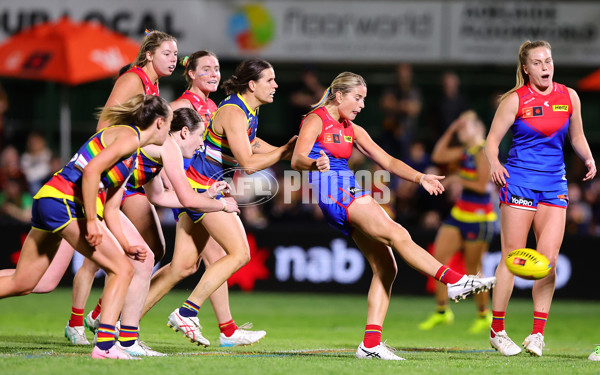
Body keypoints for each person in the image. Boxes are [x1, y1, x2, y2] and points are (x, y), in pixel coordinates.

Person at [291, 72, 497, 361]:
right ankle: (454, 281)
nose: (362, 104)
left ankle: (370, 344)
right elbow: (297, 158)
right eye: (357, 98)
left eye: (363, 99)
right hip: (335, 190)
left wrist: (420, 177)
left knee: (387, 269)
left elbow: (387, 160)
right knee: (398, 233)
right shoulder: (316, 119)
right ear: (339, 96)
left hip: (343, 191)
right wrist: (315, 162)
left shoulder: (352, 128)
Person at [0, 94, 173, 359]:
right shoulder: (129, 137)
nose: (169, 134)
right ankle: (104, 347)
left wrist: (127, 244)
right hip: (65, 203)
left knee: (22, 282)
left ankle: (105, 345)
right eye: (170, 126)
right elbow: (91, 172)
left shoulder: (131, 154)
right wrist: (91, 220)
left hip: (50, 200)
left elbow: (113, 208)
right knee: (122, 270)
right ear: (160, 123)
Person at [143, 58, 296, 348]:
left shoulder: (247, 111)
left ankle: (123, 327)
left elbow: (252, 146)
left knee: (183, 267)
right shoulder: (232, 111)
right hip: (203, 189)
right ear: (252, 84)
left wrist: (289, 152)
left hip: (204, 185)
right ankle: (188, 312)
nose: (276, 85)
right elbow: (249, 164)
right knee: (239, 253)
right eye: (270, 80)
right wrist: (286, 152)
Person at [66, 30, 179, 352]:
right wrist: (127, 157)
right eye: (167, 53)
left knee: (148, 251)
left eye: (175, 54)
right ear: (148, 55)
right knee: (91, 259)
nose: (173, 59)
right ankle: (87, 322)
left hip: (124, 176)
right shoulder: (133, 79)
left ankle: (101, 316)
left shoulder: (153, 85)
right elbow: (105, 128)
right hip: (101, 177)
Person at [485, 40, 596, 357]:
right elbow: (491, 141)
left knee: (547, 262)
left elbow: (577, 136)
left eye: (548, 60)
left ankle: (536, 334)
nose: (545, 66)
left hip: (554, 185)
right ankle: (498, 330)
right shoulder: (514, 100)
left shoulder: (568, 96)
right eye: (537, 62)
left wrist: (587, 158)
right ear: (526, 68)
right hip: (519, 183)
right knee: (511, 257)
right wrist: (495, 163)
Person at [418, 110, 496, 333]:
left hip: (479, 218)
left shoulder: (483, 151)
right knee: (438, 259)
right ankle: (442, 311)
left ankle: (483, 314)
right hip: (459, 214)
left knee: (474, 269)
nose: (461, 130)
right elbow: (438, 156)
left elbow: (482, 186)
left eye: (465, 126)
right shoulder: (465, 151)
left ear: (478, 129)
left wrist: (457, 178)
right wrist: (451, 128)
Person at [378, 63, 422, 158]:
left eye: (406, 74)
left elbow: (414, 109)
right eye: (401, 74)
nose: (403, 77)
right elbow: (385, 103)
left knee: (405, 141)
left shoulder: (413, 90)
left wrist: (396, 105)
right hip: (390, 130)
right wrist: (404, 106)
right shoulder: (392, 88)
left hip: (408, 131)